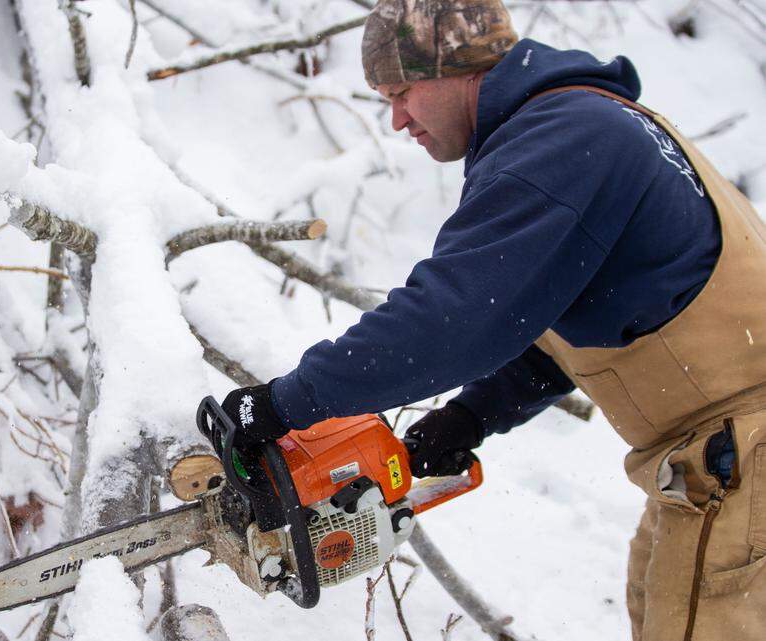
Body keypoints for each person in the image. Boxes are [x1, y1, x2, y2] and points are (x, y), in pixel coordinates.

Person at [210, 1, 766, 639]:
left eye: (401, 92)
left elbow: (451, 319)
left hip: (741, 457)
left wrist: (284, 405)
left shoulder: (560, 140)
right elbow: (587, 311)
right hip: (715, 460)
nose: (397, 120)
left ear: (458, 67)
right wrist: (471, 416)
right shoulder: (582, 122)